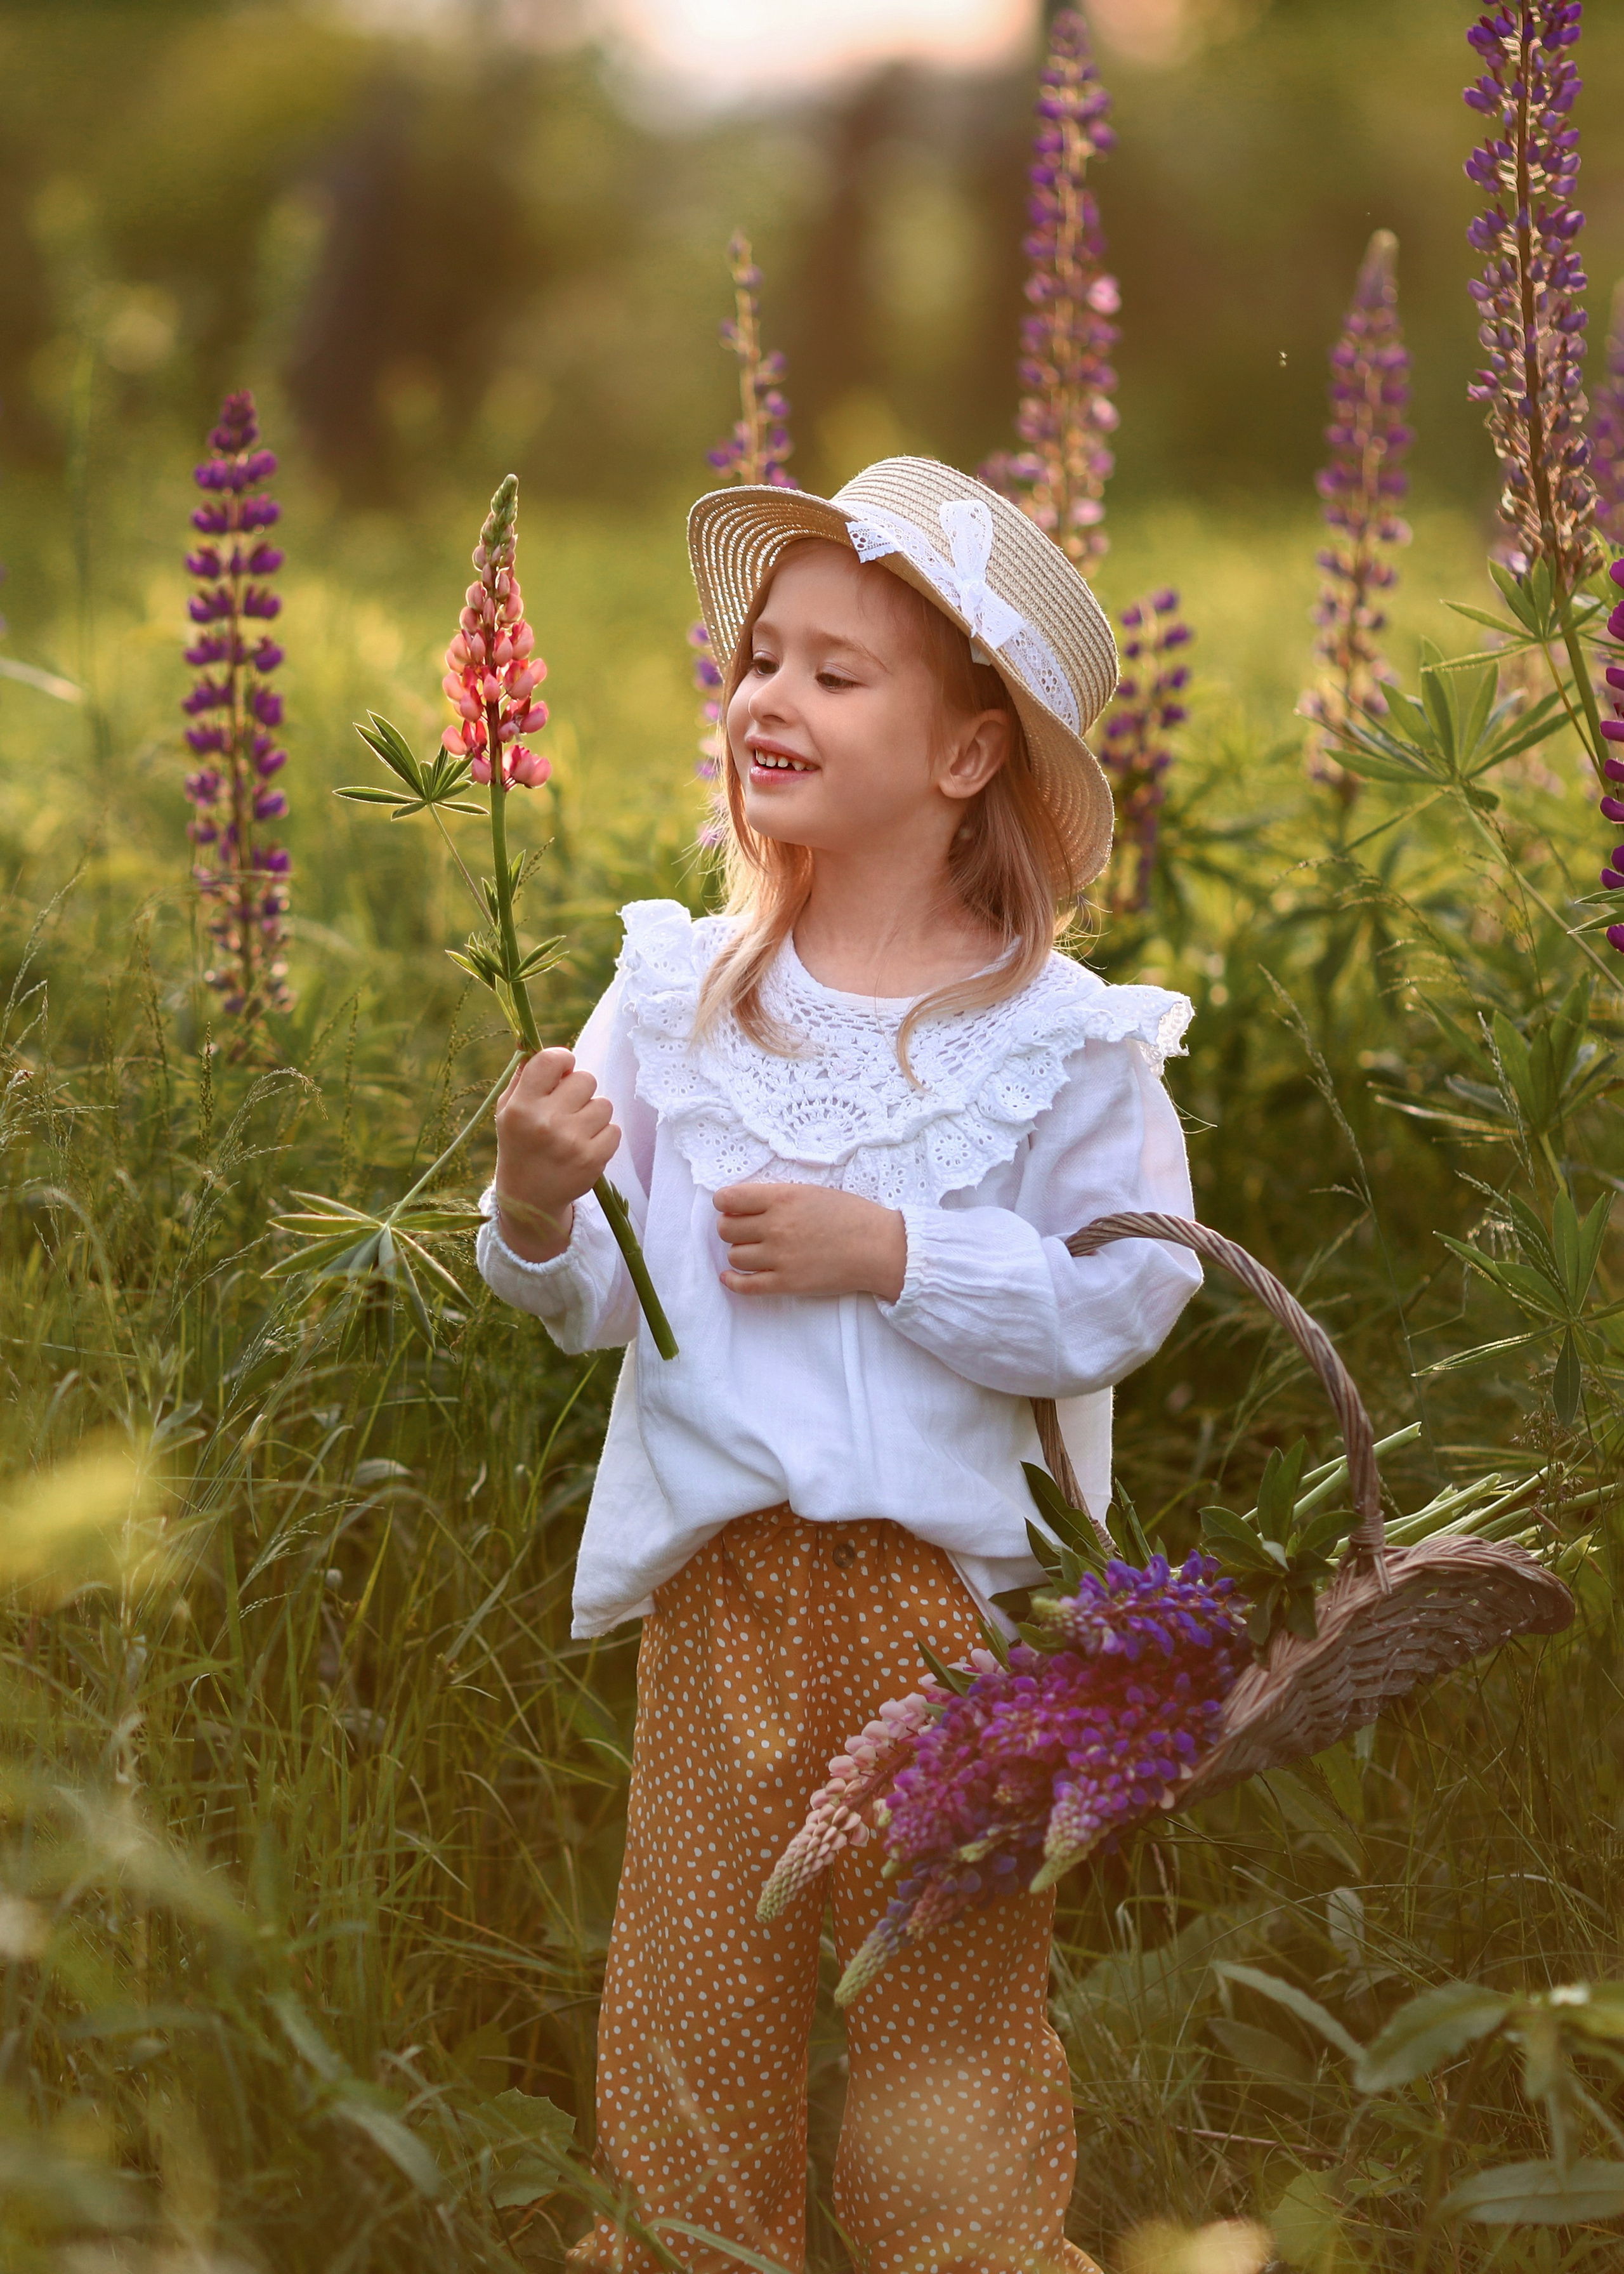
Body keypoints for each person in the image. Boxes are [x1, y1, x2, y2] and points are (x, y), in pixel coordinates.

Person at [476, 457, 1202, 2274]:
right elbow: (587, 1301)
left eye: (832, 671)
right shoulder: (675, 994)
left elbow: (1122, 1302)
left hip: (947, 1616)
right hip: (720, 1594)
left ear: (967, 757)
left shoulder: (1066, 1042)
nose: (767, 699)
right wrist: (539, 1198)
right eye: (758, 660)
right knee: (688, 2007)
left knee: (948, 2024)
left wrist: (899, 1257)